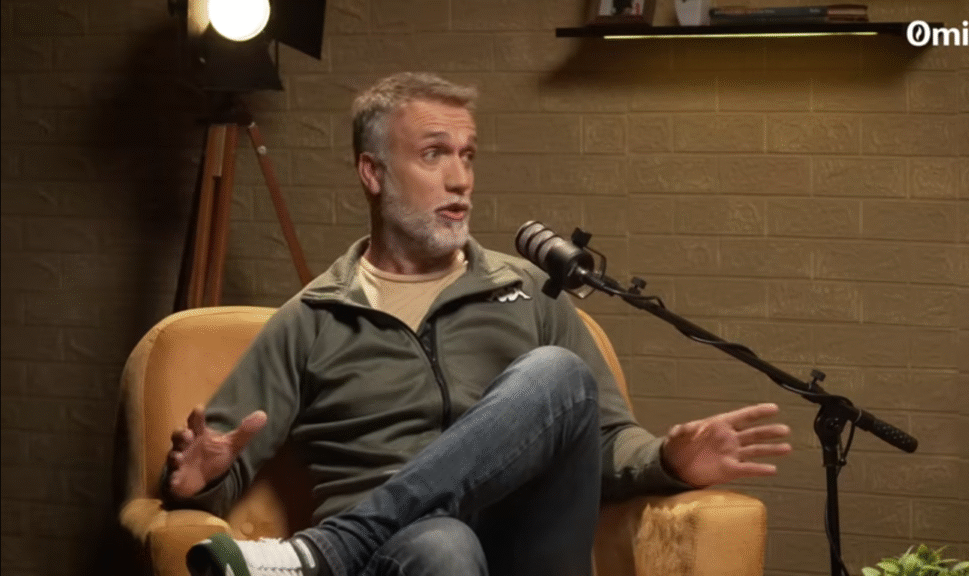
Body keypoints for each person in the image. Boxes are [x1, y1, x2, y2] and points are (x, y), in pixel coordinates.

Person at [166, 72, 792, 576]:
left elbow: (603, 442)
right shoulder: (311, 319)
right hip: (406, 560)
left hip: (532, 548)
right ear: (372, 173)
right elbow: (218, 467)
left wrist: (668, 459)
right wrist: (198, 480)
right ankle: (351, 546)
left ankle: (328, 552)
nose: (461, 179)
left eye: (467, 156)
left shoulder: (532, 292)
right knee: (443, 543)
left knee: (557, 372)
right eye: (433, 154)